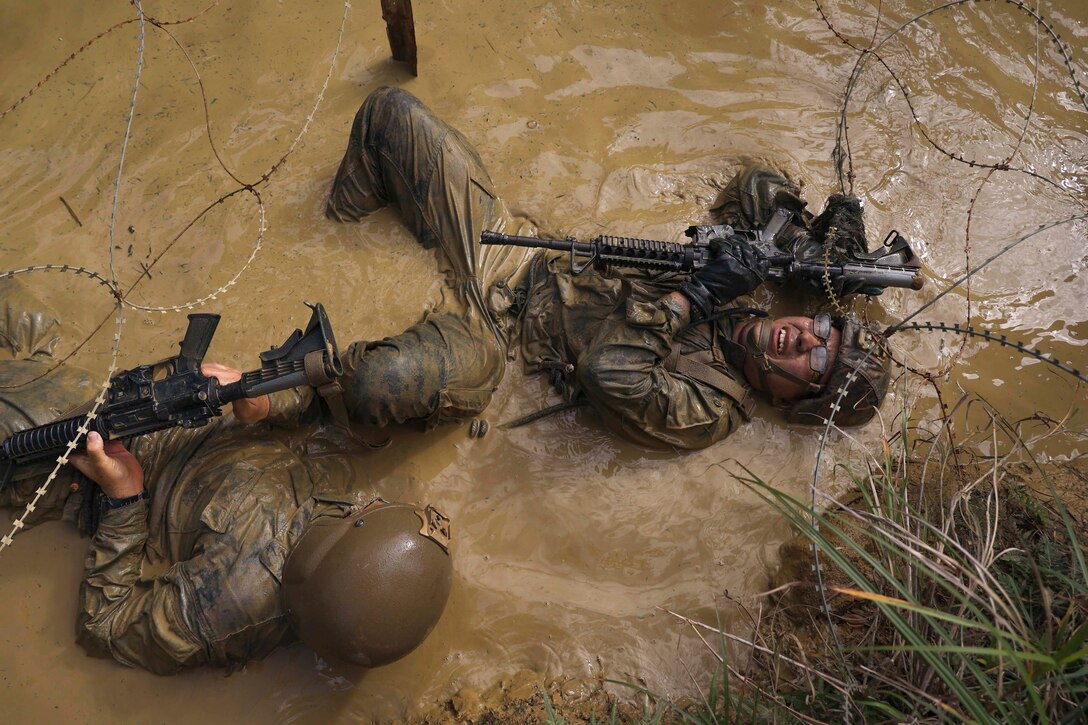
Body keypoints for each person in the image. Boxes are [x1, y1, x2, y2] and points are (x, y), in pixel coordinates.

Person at [325, 87, 892, 449]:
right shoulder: (759, 288)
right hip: (520, 253)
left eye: (816, 359)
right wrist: (810, 250)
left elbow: (608, 372)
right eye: (823, 330)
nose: (803, 337)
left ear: (795, 402)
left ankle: (285, 400)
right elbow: (750, 181)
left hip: (502, 343)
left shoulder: (708, 409)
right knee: (390, 114)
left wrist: (693, 296)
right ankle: (331, 229)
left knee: (378, 383)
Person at [0, 278, 453, 675]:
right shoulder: (350, 539)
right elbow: (319, 413)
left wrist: (124, 497)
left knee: (20, 401)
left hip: (90, 459)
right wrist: (263, 407)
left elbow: (104, 628)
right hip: (175, 403)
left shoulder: (231, 607)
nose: (367, 504)